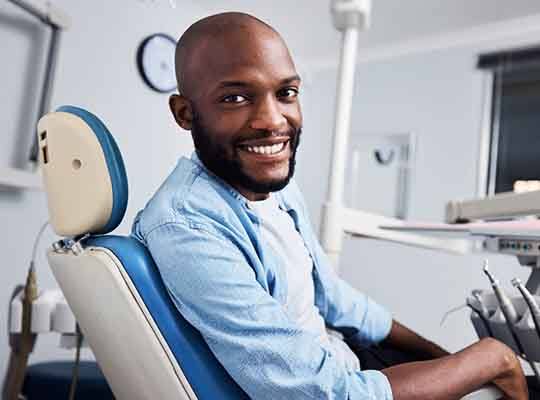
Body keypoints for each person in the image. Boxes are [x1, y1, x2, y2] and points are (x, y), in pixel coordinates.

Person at [131, 12, 528, 400]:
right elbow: (325, 394)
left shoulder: (275, 188)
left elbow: (335, 298)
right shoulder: (186, 227)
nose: (273, 120)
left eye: (286, 93)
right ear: (185, 113)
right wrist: (490, 359)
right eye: (235, 98)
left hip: (350, 362)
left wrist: (445, 360)